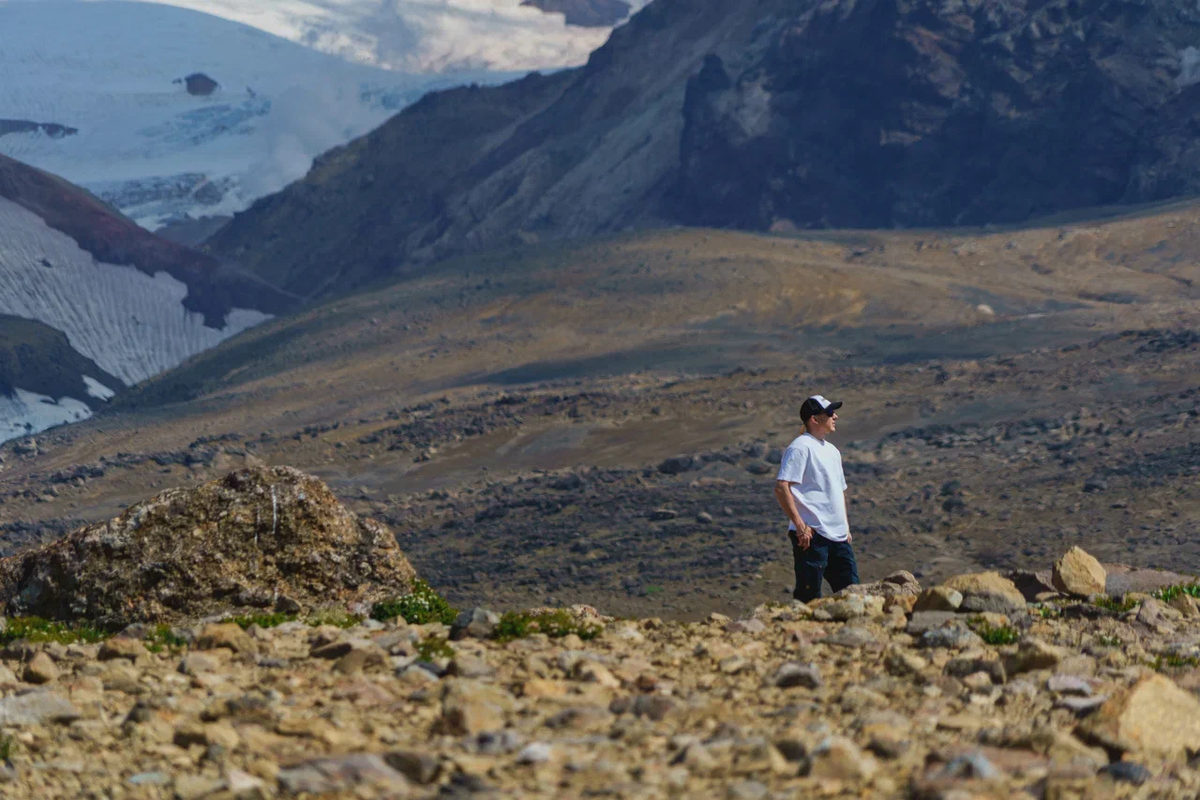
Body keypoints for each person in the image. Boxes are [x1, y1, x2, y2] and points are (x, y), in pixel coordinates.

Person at [773, 395, 859, 601]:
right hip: (812, 535)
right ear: (814, 418)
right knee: (809, 596)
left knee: (853, 594)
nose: (835, 416)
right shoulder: (800, 447)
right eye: (829, 413)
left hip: (838, 536)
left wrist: (845, 527)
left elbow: (838, 490)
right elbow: (782, 487)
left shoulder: (832, 451)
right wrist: (800, 525)